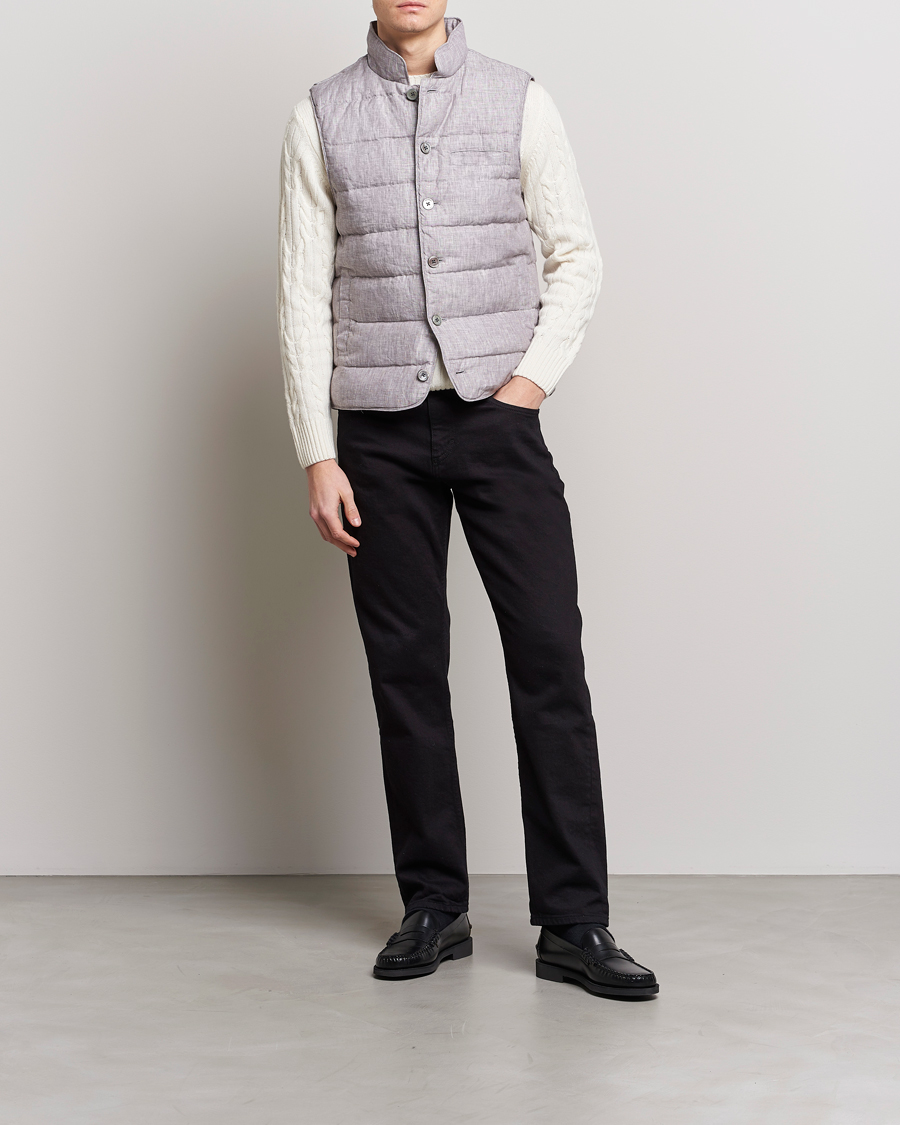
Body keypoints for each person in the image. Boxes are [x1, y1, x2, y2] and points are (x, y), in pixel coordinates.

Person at [278, 0, 658, 999]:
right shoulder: (319, 115)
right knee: (405, 672)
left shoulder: (519, 99)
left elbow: (576, 253)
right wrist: (318, 451)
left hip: (499, 421)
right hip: (376, 435)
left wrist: (528, 384)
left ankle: (574, 921)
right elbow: (302, 291)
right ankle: (433, 907)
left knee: (548, 660)